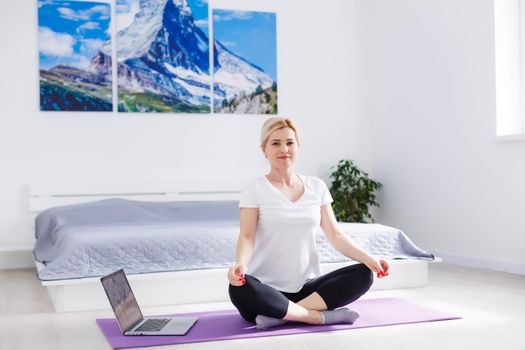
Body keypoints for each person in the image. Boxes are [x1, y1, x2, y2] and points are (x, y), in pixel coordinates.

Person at [227, 117, 390, 330]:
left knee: (363, 273)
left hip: (308, 289)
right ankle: (316, 317)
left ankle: (282, 315)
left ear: (298, 146)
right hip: (266, 291)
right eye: (275, 143)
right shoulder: (254, 187)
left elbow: (335, 234)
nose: (284, 148)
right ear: (264, 149)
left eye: (289, 142)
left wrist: (370, 259)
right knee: (238, 288)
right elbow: (247, 235)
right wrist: (240, 265)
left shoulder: (317, 187)